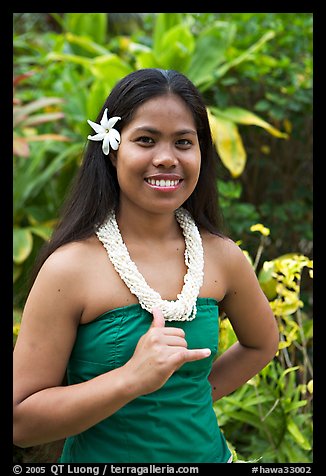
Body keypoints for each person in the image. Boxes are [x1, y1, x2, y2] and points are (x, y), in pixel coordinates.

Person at [13, 68, 279, 463]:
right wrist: (131, 379)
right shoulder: (69, 269)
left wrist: (190, 399)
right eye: (146, 140)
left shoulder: (222, 256)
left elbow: (262, 343)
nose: (167, 158)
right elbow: (20, 422)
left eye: (184, 142)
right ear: (112, 147)